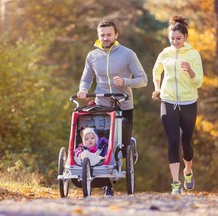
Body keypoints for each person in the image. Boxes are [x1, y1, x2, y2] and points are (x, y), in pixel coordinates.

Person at [77, 20, 148, 196]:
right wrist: (83, 90)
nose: (105, 38)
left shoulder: (127, 54)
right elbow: (86, 79)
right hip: (102, 105)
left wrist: (125, 82)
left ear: (116, 35)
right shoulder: (92, 55)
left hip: (123, 104)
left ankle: (129, 144)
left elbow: (143, 79)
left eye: (109, 34)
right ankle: (107, 185)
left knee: (121, 148)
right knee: (103, 145)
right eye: (102, 35)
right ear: (98, 36)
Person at [151, 15, 203, 195]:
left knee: (186, 143)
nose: (175, 41)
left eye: (178, 38)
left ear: (185, 37)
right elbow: (156, 71)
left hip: (189, 102)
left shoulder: (194, 54)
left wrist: (190, 71)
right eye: (172, 38)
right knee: (173, 141)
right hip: (168, 101)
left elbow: (199, 83)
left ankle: (187, 171)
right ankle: (175, 183)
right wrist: (157, 88)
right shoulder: (165, 53)